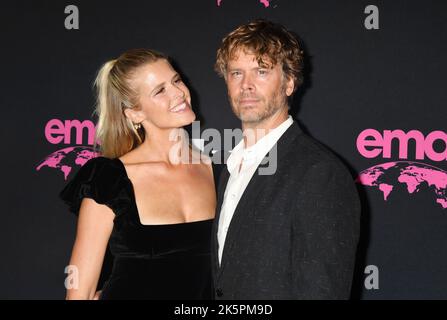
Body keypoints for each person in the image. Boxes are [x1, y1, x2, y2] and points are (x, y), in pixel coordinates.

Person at [211, 19, 361, 299]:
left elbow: (322, 292)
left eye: (261, 71)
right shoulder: (229, 168)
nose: (246, 85)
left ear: (290, 82)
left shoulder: (319, 173)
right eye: (236, 73)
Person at [60, 48, 216, 300]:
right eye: (160, 90)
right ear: (134, 113)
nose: (178, 93)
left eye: (176, 80)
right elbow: (80, 292)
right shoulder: (108, 180)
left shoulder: (220, 173)